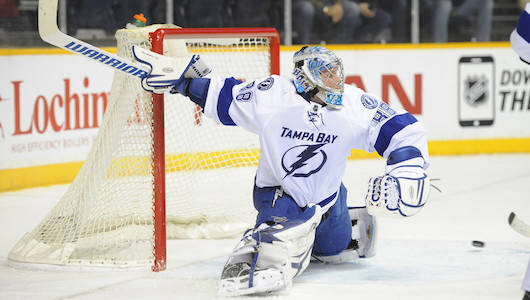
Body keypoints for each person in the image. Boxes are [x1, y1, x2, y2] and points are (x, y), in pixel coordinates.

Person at [132, 45, 431, 296]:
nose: (335, 78)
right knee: (279, 239)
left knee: (334, 251)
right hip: (279, 195)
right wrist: (184, 83)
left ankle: (326, 225)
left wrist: (408, 168)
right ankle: (269, 234)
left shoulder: (354, 104)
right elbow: (226, 97)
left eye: (336, 71)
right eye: (325, 72)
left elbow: (401, 130)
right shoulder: (273, 95)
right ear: (305, 76)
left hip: (328, 198)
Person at [292, 0, 361, 44]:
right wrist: (325, 9)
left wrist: (339, 4)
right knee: (306, 8)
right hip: (307, 6)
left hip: (330, 5)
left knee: (352, 8)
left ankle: (340, 47)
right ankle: (304, 48)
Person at [429, 0, 494, 42]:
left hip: (462, 6)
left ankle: (483, 42)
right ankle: (439, 44)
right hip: (441, 5)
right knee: (445, 5)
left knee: (486, 2)